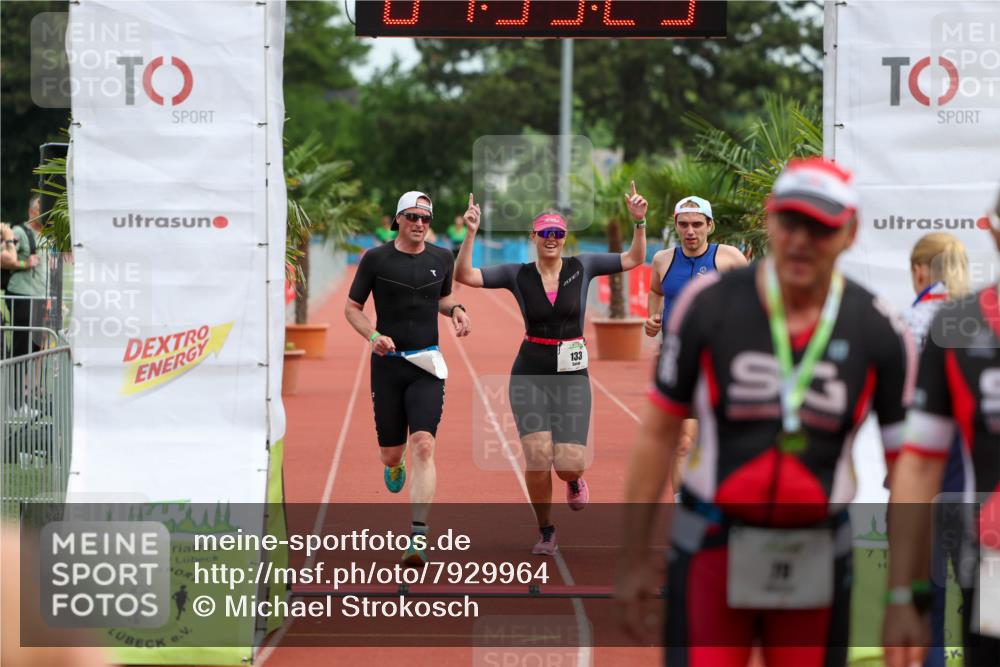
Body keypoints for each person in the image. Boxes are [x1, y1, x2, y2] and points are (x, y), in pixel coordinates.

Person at [617, 157, 915, 666]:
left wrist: (905, 593)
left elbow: (907, 468)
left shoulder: (880, 330)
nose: (802, 240)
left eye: (821, 227)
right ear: (770, 220)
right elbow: (658, 433)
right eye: (790, 222)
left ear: (850, 233)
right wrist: (632, 558)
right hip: (712, 542)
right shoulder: (707, 307)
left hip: (817, 550)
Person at [455, 183, 648, 555]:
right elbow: (466, 274)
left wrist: (639, 222)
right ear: (533, 236)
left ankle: (574, 481)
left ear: (565, 237)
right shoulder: (518, 273)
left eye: (558, 233)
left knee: (568, 464)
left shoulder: (584, 265)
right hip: (530, 371)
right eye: (545, 233)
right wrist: (471, 233)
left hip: (572, 375)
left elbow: (633, 259)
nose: (552, 239)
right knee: (538, 457)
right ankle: (546, 529)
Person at [883, 193, 1000, 667]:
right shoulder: (958, 319)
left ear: (918, 269)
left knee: (932, 598)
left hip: (952, 486)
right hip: (970, 492)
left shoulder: (926, 318)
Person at [344, 191, 472, 566]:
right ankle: (394, 465)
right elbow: (352, 308)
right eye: (413, 217)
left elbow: (442, 299)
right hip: (388, 365)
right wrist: (372, 336)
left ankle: (417, 537)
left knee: (425, 445)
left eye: (426, 219)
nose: (420, 224)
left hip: (427, 365)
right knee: (392, 453)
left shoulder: (441, 258)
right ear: (398, 219)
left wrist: (458, 310)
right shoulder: (376, 259)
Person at [644, 196, 748, 494]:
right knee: (682, 443)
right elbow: (655, 291)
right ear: (676, 226)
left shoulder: (729, 258)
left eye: (697, 224)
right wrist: (652, 318)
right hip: (678, 362)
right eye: (684, 224)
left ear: (710, 225)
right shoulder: (663, 259)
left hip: (720, 362)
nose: (690, 231)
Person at [902, 233, 970, 667]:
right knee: (983, 605)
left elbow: (904, 407)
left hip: (930, 472)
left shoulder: (915, 319)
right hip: (980, 476)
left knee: (927, 593)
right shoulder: (985, 315)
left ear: (920, 271)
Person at [3, 197, 45, 359]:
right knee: (22, 344)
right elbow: (3, 258)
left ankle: (33, 384)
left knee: (40, 346)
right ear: (31, 212)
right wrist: (24, 264)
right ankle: (17, 383)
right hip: (23, 295)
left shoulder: (48, 236)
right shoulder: (20, 232)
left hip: (42, 296)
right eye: (41, 210)